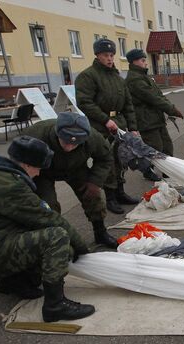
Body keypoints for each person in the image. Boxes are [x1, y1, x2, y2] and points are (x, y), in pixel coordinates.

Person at [0, 136, 95, 322]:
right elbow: (50, 220)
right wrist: (83, 249)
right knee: (57, 237)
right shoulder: (12, 186)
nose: (38, 173)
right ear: (26, 164)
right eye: (38, 168)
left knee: (52, 244)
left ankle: (12, 282)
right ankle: (55, 305)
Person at [23, 112, 116, 248]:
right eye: (65, 141)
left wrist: (95, 181)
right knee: (48, 206)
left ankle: (100, 232)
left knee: (93, 196)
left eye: (75, 143)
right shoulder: (35, 136)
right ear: (57, 133)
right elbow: (19, 161)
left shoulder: (93, 138)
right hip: (42, 172)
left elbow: (105, 158)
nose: (69, 147)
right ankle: (54, 240)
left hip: (76, 168)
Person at [75, 38, 140, 215]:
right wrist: (105, 119)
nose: (110, 59)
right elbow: (84, 102)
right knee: (107, 162)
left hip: (118, 125)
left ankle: (120, 193)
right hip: (100, 127)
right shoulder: (88, 76)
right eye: (106, 55)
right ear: (97, 55)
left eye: (112, 55)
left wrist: (133, 127)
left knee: (121, 159)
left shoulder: (118, 77)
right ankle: (110, 197)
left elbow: (128, 104)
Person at [125, 49, 184, 180]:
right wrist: (171, 109)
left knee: (167, 146)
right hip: (146, 120)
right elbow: (152, 97)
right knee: (154, 148)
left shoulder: (144, 76)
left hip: (156, 118)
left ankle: (167, 171)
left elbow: (159, 95)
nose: (146, 63)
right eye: (143, 60)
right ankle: (147, 170)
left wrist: (171, 109)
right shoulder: (134, 79)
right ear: (134, 62)